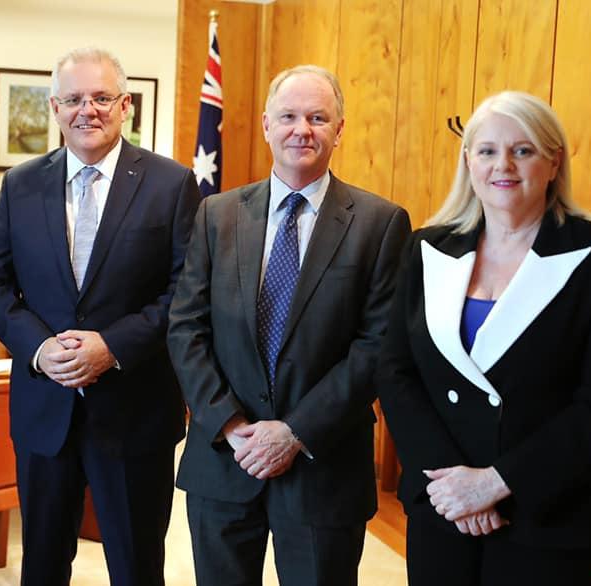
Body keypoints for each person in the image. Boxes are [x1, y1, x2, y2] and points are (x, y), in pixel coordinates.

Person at [377, 91, 591, 586]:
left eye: (522, 150)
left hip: (548, 518)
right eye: (487, 151)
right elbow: (395, 370)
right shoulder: (427, 248)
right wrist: (452, 484)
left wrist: (497, 484)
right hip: (444, 510)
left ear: (553, 160)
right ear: (469, 162)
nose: (504, 165)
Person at [167, 65, 411, 586]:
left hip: (324, 464)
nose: (303, 129)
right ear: (265, 125)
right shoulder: (217, 213)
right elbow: (186, 327)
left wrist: (295, 432)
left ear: (339, 129)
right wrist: (231, 426)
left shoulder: (380, 223)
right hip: (224, 459)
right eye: (290, 116)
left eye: (318, 117)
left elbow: (378, 344)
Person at [0, 47, 201, 586]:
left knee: (137, 566)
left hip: (135, 409)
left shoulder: (172, 184)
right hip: (44, 409)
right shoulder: (22, 183)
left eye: (101, 97)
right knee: (44, 566)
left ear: (126, 106)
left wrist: (112, 347)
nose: (87, 110)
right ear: (54, 108)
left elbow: (187, 289)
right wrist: (39, 348)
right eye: (74, 99)